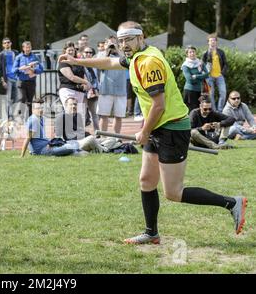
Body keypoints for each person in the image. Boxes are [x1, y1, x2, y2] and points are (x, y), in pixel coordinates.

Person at [59, 21, 247, 244]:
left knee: (173, 192)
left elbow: (159, 105)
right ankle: (151, 233)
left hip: (172, 128)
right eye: (120, 41)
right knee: (146, 181)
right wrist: (76, 60)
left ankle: (232, 203)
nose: (124, 45)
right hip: (158, 126)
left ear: (141, 37)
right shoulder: (137, 56)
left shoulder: (149, 62)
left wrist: (144, 131)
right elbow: (110, 61)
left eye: (129, 39)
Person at [97, 38, 127, 133]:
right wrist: (106, 50)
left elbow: (126, 61)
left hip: (121, 90)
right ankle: (103, 137)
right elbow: (99, 65)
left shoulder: (123, 54)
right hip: (106, 89)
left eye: (114, 42)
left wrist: (117, 49)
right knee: (103, 115)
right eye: (110, 43)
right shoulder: (101, 54)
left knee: (119, 116)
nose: (112, 45)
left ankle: (117, 137)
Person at [12, 41, 44, 117]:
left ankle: (29, 119)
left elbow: (41, 69)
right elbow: (13, 70)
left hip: (31, 82)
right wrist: (22, 68)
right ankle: (20, 115)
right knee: (22, 98)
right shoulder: (18, 57)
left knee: (30, 101)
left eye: (29, 47)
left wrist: (34, 70)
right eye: (26, 47)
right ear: (23, 48)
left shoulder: (35, 57)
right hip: (21, 82)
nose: (28, 49)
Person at [202, 33, 228, 112]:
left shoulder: (221, 52)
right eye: (211, 41)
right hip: (209, 77)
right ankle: (214, 111)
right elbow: (202, 65)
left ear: (216, 42)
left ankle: (220, 110)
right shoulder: (205, 53)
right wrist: (205, 73)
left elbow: (226, 64)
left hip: (220, 76)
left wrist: (222, 73)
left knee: (223, 93)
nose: (212, 42)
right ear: (208, 42)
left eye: (214, 40)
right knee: (211, 94)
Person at [0, 37, 20, 120]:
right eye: (5, 43)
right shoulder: (1, 55)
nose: (7, 44)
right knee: (8, 98)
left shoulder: (16, 53)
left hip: (16, 78)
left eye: (8, 42)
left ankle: (13, 116)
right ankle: (8, 116)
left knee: (16, 98)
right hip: (8, 79)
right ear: (3, 45)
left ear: (11, 43)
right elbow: (0, 69)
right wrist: (3, 81)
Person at [182, 45, 209, 112]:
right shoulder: (185, 65)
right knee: (191, 111)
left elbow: (207, 74)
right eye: (190, 52)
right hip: (190, 91)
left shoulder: (200, 63)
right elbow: (190, 80)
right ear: (187, 54)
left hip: (199, 91)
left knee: (199, 110)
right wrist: (201, 76)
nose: (192, 53)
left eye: (193, 52)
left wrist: (196, 76)